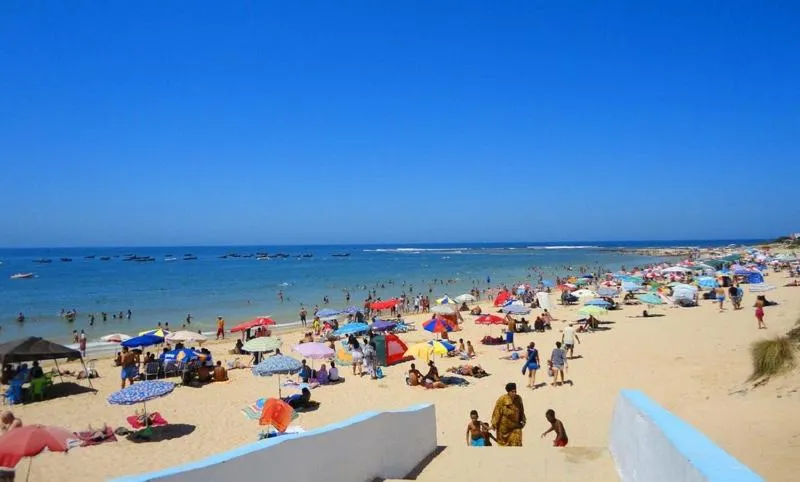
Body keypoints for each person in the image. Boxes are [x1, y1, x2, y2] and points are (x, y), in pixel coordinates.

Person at [491, 382, 526, 446]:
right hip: (504, 429)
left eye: (515, 391)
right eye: (512, 392)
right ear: (508, 392)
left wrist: (523, 419)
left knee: (517, 443)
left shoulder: (518, 398)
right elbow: (497, 412)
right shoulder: (502, 399)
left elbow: (521, 409)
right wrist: (494, 424)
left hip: (515, 426)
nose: (514, 393)